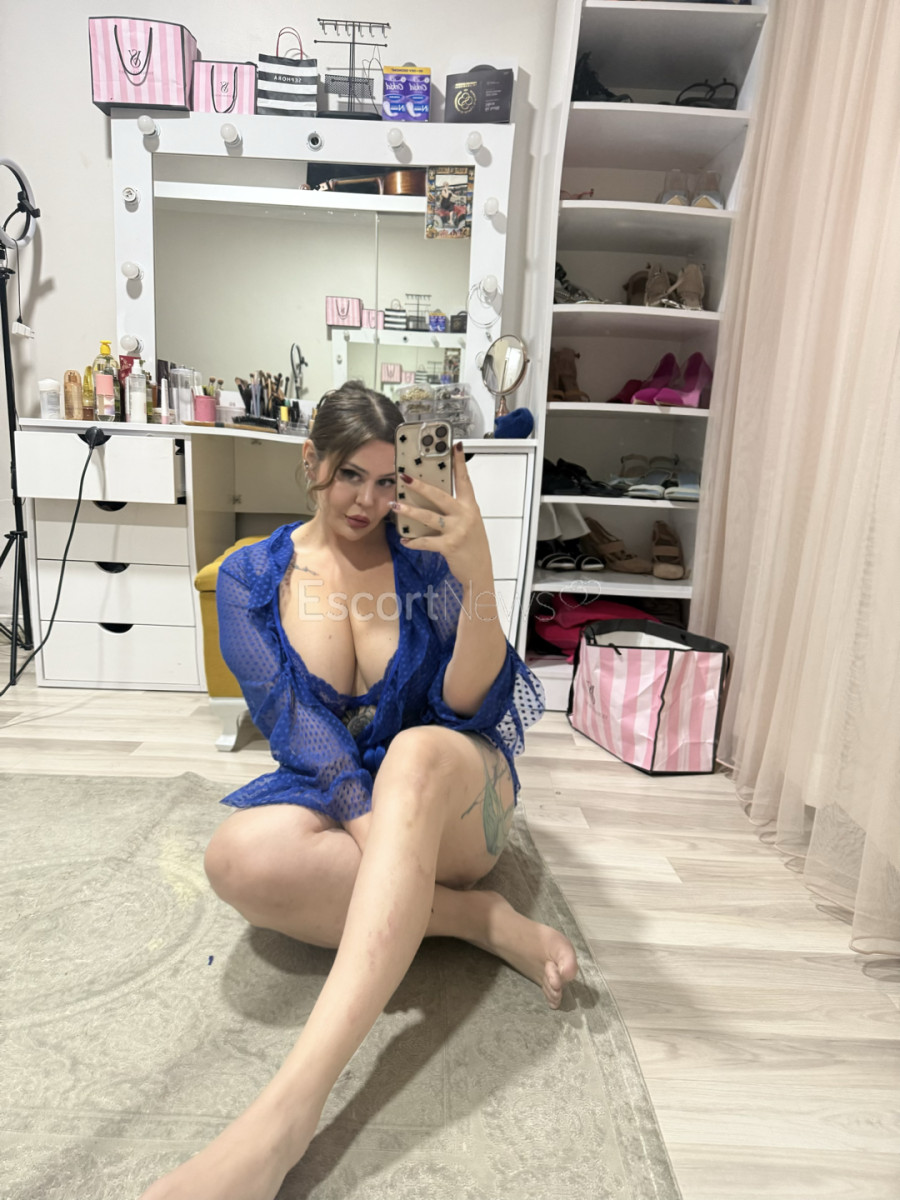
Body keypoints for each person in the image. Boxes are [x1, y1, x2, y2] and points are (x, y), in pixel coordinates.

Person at [139, 382, 578, 1200]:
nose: (368, 502)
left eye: (386, 482)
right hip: (352, 799)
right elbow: (298, 731)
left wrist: (477, 571)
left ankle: (283, 1120)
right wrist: (383, 847)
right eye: (349, 476)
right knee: (236, 857)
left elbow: (472, 707)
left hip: (454, 793)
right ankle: (473, 920)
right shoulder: (250, 579)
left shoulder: (424, 563)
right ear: (312, 461)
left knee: (412, 751)